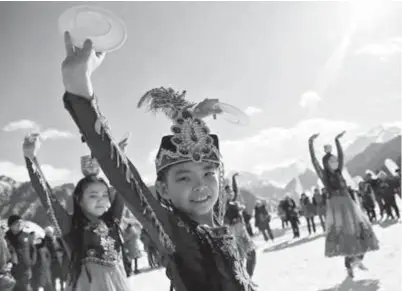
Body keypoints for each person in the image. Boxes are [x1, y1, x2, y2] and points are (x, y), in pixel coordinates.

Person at [61, 33, 256, 291]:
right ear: (163, 189)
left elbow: (212, 172)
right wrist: (79, 90)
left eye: (208, 174)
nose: (201, 186)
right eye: (184, 177)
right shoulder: (173, 230)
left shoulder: (215, 215)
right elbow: (122, 176)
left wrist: (193, 117)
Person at [23, 134, 130, 291]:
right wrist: (30, 157)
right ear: (79, 200)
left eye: (104, 195)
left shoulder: (113, 222)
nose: (101, 200)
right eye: (93, 195)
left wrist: (119, 158)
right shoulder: (70, 226)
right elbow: (47, 196)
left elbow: (123, 187)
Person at [308, 131, 379, 278]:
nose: (334, 163)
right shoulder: (324, 176)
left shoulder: (339, 170)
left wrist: (337, 141)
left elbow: (341, 157)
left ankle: (358, 260)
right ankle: (349, 266)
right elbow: (314, 162)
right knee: (347, 236)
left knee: (362, 231)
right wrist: (310, 143)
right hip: (338, 207)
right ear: (326, 165)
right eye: (331, 162)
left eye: (334, 161)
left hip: (349, 203)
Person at [5, 215, 35, 291]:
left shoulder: (27, 236)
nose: (19, 225)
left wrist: (31, 263)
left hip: (25, 271)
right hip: (10, 272)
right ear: (10, 225)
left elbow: (33, 250)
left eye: (21, 223)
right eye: (16, 223)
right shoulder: (5, 237)